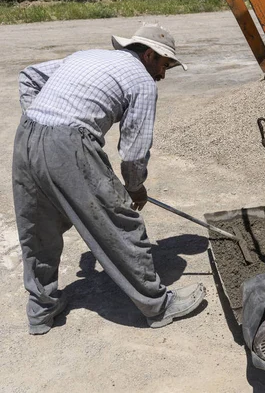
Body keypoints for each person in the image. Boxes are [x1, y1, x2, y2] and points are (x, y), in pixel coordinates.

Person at [13, 23, 205, 335]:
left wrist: (38, 118)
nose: (164, 73)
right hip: (70, 144)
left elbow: (29, 76)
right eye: (165, 64)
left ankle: (41, 308)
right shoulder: (142, 81)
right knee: (120, 225)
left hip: (27, 137)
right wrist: (134, 187)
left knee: (38, 226)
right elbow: (133, 151)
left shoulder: (86, 56)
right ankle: (158, 307)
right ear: (149, 54)